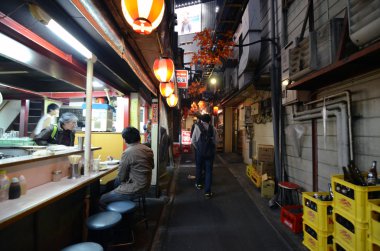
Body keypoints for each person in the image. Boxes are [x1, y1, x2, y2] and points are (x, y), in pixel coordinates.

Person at [99, 127, 154, 207]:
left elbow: (121, 177)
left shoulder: (128, 152)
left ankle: (120, 216)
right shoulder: (148, 149)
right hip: (146, 185)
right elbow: (151, 166)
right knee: (109, 184)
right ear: (139, 137)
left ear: (124, 140)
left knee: (102, 199)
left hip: (135, 189)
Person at [191, 113, 218, 198]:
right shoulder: (213, 128)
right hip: (209, 153)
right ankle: (208, 192)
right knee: (209, 171)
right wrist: (212, 149)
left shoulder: (197, 127)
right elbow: (216, 142)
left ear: (202, 120)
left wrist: (198, 148)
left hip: (200, 153)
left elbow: (193, 141)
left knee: (199, 168)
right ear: (209, 121)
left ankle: (199, 184)